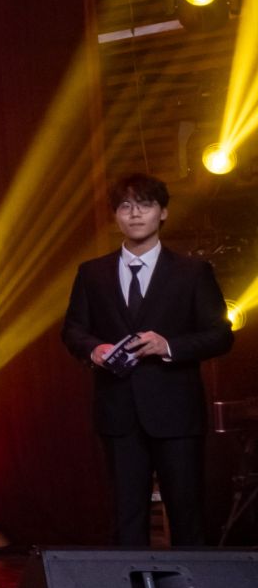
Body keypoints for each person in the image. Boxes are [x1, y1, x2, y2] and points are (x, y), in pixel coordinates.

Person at [61, 173, 233, 547]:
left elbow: (220, 335)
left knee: (187, 514)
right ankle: (133, 585)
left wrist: (167, 345)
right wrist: (94, 350)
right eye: (125, 206)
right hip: (118, 413)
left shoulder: (192, 272)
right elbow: (73, 329)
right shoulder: (92, 273)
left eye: (145, 204)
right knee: (127, 517)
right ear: (116, 216)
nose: (135, 213)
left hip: (177, 413)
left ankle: (191, 584)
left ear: (163, 212)